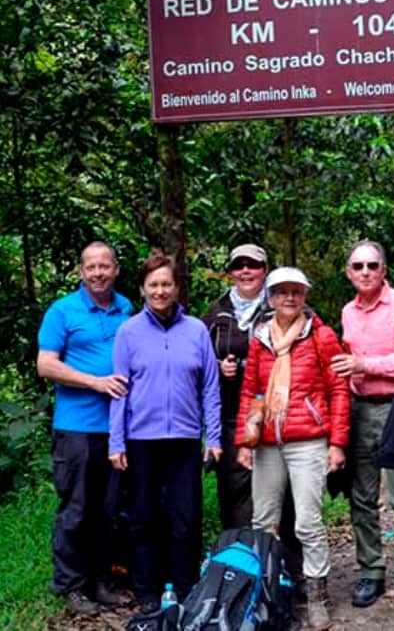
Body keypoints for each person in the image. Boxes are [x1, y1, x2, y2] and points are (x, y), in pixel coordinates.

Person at [236, 267, 350, 631]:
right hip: (268, 442)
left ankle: (316, 595)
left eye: (296, 292)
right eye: (282, 292)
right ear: (269, 298)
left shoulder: (322, 336)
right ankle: (267, 591)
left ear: (304, 297)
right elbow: (251, 390)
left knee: (308, 523)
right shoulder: (260, 338)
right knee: (263, 521)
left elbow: (338, 391)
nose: (289, 298)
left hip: (309, 440)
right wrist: (245, 439)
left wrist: (337, 443)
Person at [108, 254, 222, 608]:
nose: (160, 291)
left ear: (177, 288)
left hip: (185, 440)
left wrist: (214, 437)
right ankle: (148, 591)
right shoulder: (129, 331)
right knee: (143, 518)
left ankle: (186, 588)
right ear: (142, 288)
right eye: (153, 285)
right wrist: (116, 442)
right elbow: (119, 389)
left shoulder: (196, 330)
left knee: (185, 519)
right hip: (141, 440)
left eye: (166, 284)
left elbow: (211, 388)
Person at [329, 240, 394, 613]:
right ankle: (371, 571)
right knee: (362, 497)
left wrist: (364, 365)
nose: (366, 272)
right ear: (349, 272)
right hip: (360, 409)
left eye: (373, 265)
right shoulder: (348, 312)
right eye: (358, 266)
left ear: (384, 269)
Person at [36, 241, 134, 616]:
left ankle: (100, 581)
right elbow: (46, 365)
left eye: (104, 266)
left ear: (116, 269)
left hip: (117, 429)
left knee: (107, 509)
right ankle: (70, 586)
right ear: (81, 271)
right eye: (91, 267)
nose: (98, 273)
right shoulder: (63, 311)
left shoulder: (126, 309)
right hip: (76, 428)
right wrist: (95, 382)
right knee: (76, 508)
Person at [201, 244, 305, 582]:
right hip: (233, 414)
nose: (246, 271)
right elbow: (197, 364)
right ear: (230, 271)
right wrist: (218, 368)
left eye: (254, 265)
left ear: (265, 269)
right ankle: (241, 574)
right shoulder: (215, 314)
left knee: (284, 496)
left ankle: (289, 574)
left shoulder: (282, 306)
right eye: (239, 265)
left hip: (279, 416)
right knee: (235, 496)